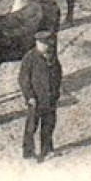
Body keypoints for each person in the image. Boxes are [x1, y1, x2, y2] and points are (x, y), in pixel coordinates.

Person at [18, 30, 63, 162]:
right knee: (31, 127)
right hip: (35, 100)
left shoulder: (52, 57)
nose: (47, 47)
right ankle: (28, 153)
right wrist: (29, 97)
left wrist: (56, 92)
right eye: (44, 44)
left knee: (48, 125)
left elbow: (58, 74)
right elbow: (23, 80)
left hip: (50, 99)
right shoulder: (30, 58)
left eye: (48, 44)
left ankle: (47, 149)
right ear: (37, 43)